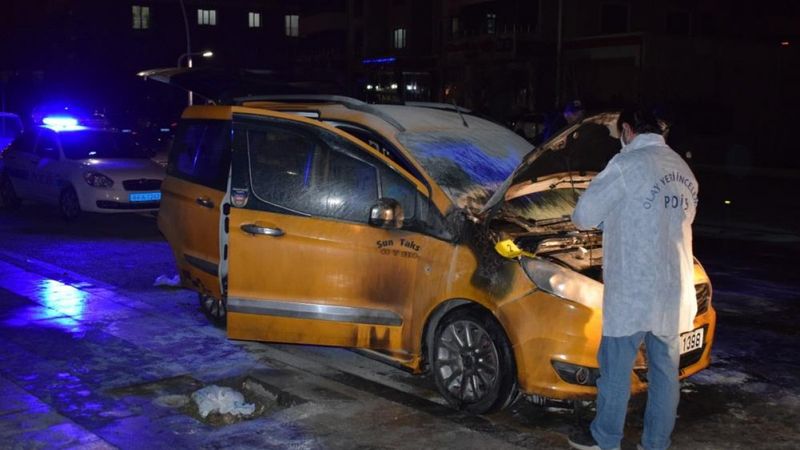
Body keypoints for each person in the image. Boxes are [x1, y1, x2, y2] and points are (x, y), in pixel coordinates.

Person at [568, 107, 699, 450]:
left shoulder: (626, 166)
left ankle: (606, 439)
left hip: (633, 289)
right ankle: (655, 444)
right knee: (666, 375)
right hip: (673, 289)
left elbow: (583, 216)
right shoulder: (682, 169)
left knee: (615, 372)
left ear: (627, 130)